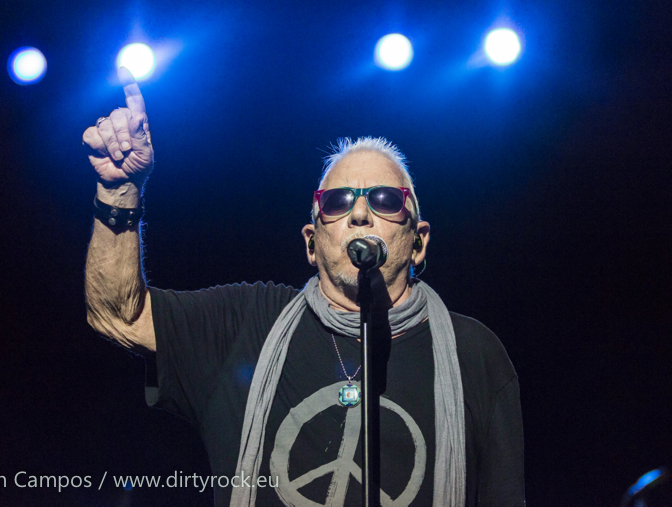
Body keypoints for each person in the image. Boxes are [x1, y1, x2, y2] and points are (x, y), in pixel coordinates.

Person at [84, 68, 525, 506]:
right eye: (337, 202)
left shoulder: (475, 354)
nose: (360, 215)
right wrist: (119, 190)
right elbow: (118, 315)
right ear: (312, 244)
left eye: (385, 199)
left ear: (418, 242)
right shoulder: (247, 322)